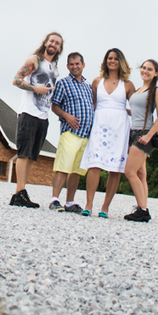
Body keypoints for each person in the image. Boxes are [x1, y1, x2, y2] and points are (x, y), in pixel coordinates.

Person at [9, 31, 63, 208]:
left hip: (43, 116)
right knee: (23, 153)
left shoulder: (54, 68)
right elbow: (16, 80)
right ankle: (20, 192)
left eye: (57, 43)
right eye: (51, 41)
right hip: (29, 113)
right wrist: (35, 89)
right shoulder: (35, 60)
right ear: (46, 42)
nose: (53, 44)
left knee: (32, 156)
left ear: (59, 48)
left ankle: (20, 193)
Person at [79, 48, 135, 218]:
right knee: (94, 165)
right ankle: (88, 204)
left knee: (115, 168)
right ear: (105, 61)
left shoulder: (128, 85)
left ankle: (105, 207)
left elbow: (136, 108)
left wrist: (126, 112)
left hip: (119, 127)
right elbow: (93, 104)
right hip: (100, 124)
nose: (112, 61)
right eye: (109, 58)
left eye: (116, 59)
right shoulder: (97, 81)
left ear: (121, 62)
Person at [48, 52, 94, 212]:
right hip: (70, 132)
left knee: (76, 170)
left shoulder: (88, 86)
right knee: (63, 166)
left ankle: (69, 202)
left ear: (83, 65)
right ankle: (54, 200)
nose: (75, 67)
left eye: (77, 64)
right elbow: (54, 106)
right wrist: (66, 116)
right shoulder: (63, 83)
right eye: (72, 64)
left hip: (86, 134)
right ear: (67, 66)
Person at [124, 59, 158, 222]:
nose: (145, 71)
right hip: (133, 132)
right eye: (143, 68)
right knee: (141, 174)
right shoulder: (138, 90)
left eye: (149, 69)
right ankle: (142, 207)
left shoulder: (156, 91)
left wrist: (148, 136)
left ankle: (143, 210)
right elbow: (137, 112)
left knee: (129, 171)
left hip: (145, 134)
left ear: (156, 73)